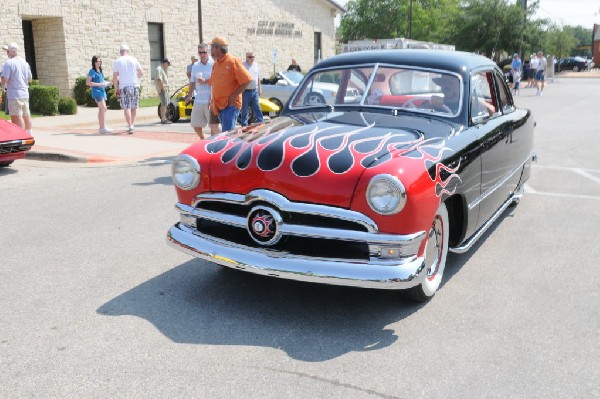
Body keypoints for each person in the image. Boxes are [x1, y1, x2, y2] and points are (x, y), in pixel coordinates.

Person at [209, 36, 253, 132]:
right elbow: (214, 84)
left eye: (212, 47)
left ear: (218, 48)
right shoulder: (216, 64)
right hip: (219, 105)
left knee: (227, 135)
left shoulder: (233, 61)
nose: (210, 50)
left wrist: (234, 95)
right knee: (225, 134)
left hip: (230, 105)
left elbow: (247, 79)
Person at [185, 43, 219, 139]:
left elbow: (217, 80)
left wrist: (206, 81)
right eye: (200, 53)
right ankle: (202, 139)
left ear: (208, 52)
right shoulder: (195, 65)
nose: (202, 55)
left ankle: (213, 143)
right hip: (198, 99)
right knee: (195, 125)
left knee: (213, 126)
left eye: (204, 52)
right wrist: (189, 96)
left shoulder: (214, 64)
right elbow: (192, 82)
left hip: (211, 100)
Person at [1, 43, 33, 134]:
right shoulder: (25, 63)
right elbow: (30, 79)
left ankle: (20, 135)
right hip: (24, 92)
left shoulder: (9, 63)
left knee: (16, 116)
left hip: (14, 94)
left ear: (10, 52)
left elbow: (5, 79)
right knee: (26, 115)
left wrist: (2, 78)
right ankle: (29, 134)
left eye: (7, 51)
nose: (7, 53)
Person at [112, 43, 143, 134]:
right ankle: (132, 125)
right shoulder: (134, 60)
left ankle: (129, 125)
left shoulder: (117, 61)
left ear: (120, 52)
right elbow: (141, 73)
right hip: (135, 85)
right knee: (134, 107)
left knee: (127, 107)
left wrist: (116, 88)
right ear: (128, 51)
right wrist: (134, 77)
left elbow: (114, 77)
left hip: (124, 87)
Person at [86, 55, 112, 134]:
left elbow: (102, 82)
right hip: (97, 92)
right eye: (98, 61)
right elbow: (88, 82)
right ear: (94, 62)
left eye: (100, 61)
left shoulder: (100, 71)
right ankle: (102, 128)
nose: (99, 63)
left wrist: (107, 83)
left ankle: (102, 127)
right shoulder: (92, 71)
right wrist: (99, 84)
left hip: (102, 92)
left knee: (103, 109)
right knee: (103, 108)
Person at [240, 51, 264, 126]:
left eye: (253, 57)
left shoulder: (256, 65)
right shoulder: (242, 65)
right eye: (250, 57)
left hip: (254, 91)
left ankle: (261, 122)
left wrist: (260, 89)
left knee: (257, 108)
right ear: (246, 57)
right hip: (245, 91)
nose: (251, 58)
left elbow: (258, 78)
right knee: (244, 110)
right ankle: (244, 125)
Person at [155, 58, 172, 124]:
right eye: (168, 64)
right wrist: (162, 89)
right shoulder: (159, 69)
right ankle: (163, 119)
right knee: (164, 104)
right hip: (162, 90)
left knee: (164, 104)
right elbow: (159, 80)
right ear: (165, 63)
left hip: (164, 89)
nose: (168, 66)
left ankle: (164, 118)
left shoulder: (161, 70)